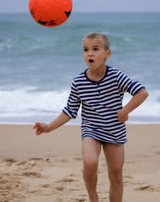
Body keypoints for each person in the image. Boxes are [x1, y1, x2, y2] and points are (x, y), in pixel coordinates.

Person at [33, 32, 149, 202]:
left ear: (107, 54)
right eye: (86, 50)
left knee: (116, 174)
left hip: (114, 131)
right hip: (91, 130)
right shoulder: (79, 82)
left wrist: (125, 111)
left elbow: (142, 92)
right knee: (90, 162)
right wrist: (49, 127)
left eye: (95, 49)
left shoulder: (116, 76)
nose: (90, 53)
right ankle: (93, 197)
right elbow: (70, 111)